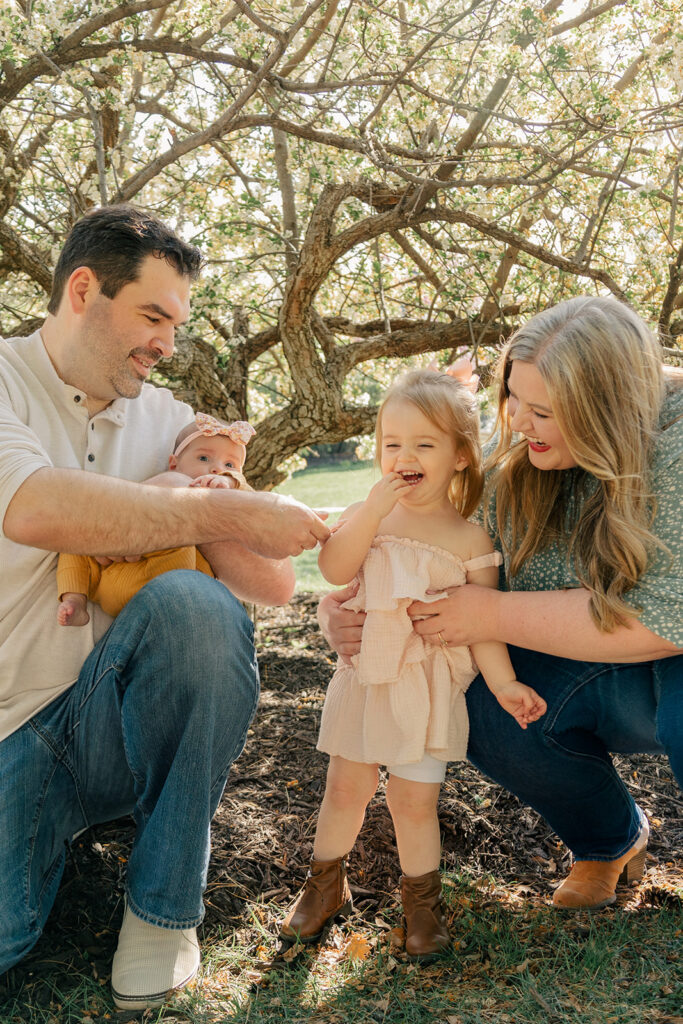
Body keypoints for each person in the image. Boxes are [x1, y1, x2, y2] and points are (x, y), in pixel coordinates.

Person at [0, 204, 329, 1009]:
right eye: (152, 316)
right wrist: (213, 510)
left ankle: (161, 906)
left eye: (175, 325)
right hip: (12, 726)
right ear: (83, 290)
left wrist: (236, 507)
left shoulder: (178, 424)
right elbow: (35, 506)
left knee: (197, 607)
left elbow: (270, 588)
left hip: (116, 721)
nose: (166, 345)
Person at [319, 295, 683, 916]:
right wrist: (346, 602)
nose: (517, 422)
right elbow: (424, 539)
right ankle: (610, 842)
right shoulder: (520, 453)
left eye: (543, 411)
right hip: (595, 660)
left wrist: (487, 616)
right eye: (513, 398)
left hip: (668, 655)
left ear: (609, 410)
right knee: (482, 701)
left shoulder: (674, 442)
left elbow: (662, 621)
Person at [280, 369, 546, 959]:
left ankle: (422, 906)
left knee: (412, 802)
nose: (404, 457)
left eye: (424, 444)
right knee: (345, 789)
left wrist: (504, 684)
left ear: (459, 456)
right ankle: (325, 886)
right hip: (367, 679)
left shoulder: (471, 539)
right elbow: (332, 571)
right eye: (391, 444)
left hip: (428, 691)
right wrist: (369, 515)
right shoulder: (367, 517)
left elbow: (485, 626)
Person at [57, 412, 256, 625]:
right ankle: (74, 599)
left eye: (230, 466)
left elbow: (252, 501)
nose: (217, 469)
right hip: (114, 582)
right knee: (77, 537)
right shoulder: (161, 489)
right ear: (174, 465)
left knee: (180, 533)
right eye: (204, 458)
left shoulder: (234, 498)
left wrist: (230, 482)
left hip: (175, 580)